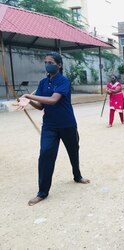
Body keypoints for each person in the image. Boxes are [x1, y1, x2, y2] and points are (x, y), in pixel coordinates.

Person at [15, 51, 90, 206]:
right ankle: (42, 192)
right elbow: (41, 105)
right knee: (45, 155)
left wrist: (29, 96)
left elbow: (53, 100)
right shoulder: (43, 83)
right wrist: (28, 102)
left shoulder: (64, 81)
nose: (47, 65)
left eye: (51, 62)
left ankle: (77, 176)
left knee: (73, 151)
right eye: (46, 62)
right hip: (49, 126)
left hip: (67, 124)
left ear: (59, 65)